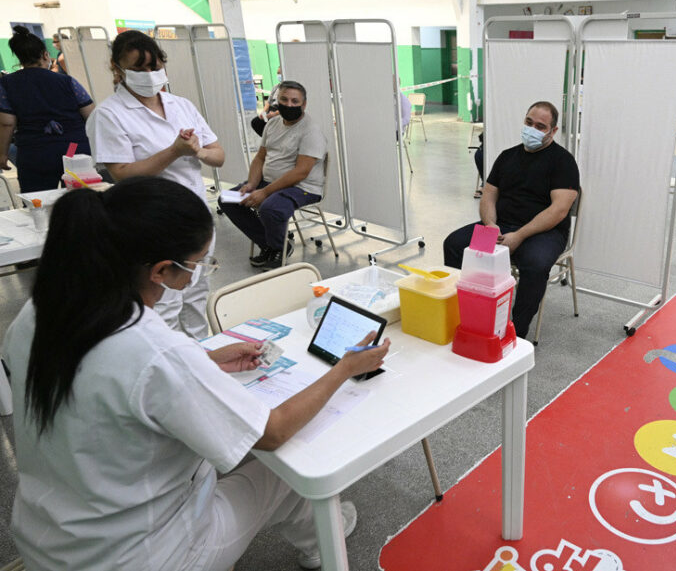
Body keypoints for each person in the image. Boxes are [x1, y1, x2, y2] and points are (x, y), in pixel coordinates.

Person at [2, 177, 388, 570]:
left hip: (50, 540)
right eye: (198, 263)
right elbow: (272, 432)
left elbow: (105, 389)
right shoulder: (154, 350)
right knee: (290, 473)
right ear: (162, 270)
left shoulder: (39, 313)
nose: (197, 275)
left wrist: (207, 361)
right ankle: (325, 544)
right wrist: (345, 368)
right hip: (145, 556)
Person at [89, 29, 225, 339]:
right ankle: (166, 364)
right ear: (117, 69)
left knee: (195, 294)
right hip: (152, 223)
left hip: (194, 217)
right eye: (138, 68)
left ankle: (200, 358)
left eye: (154, 67)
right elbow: (122, 173)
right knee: (164, 303)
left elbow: (218, 155)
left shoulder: (180, 105)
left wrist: (199, 151)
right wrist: (174, 151)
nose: (149, 75)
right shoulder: (109, 114)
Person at [443, 101, 580, 339]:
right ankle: (465, 314)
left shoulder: (563, 162)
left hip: (543, 233)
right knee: (454, 244)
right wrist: (490, 225)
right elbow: (488, 195)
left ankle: (515, 333)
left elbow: (558, 211)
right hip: (501, 226)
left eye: (540, 126)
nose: (532, 129)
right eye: (529, 122)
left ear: (553, 131)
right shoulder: (507, 157)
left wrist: (520, 235)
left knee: (535, 264)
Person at [220, 80, 327, 270]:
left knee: (270, 208)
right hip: (268, 183)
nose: (289, 105)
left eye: (295, 101)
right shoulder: (273, 124)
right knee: (228, 200)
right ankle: (269, 244)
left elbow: (301, 172)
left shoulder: (311, 131)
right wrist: (252, 184)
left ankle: (278, 247)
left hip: (302, 188)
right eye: (284, 100)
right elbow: (260, 158)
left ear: (304, 105)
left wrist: (265, 192)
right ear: (277, 100)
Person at [0, 26, 93, 192]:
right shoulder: (68, 82)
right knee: (81, 201)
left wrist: (2, 154)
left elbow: (7, 123)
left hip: (35, 152)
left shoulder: (6, 85)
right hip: (74, 150)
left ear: (19, 58)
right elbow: (91, 115)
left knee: (37, 203)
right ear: (45, 54)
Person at [251, 66, 283, 137]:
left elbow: (286, 107)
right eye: (278, 73)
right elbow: (268, 102)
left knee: (270, 123)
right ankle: (267, 139)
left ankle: (271, 140)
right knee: (256, 122)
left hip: (279, 112)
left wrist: (274, 114)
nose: (279, 75)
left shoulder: (287, 89)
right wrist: (263, 113)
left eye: (280, 73)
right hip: (271, 111)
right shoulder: (276, 87)